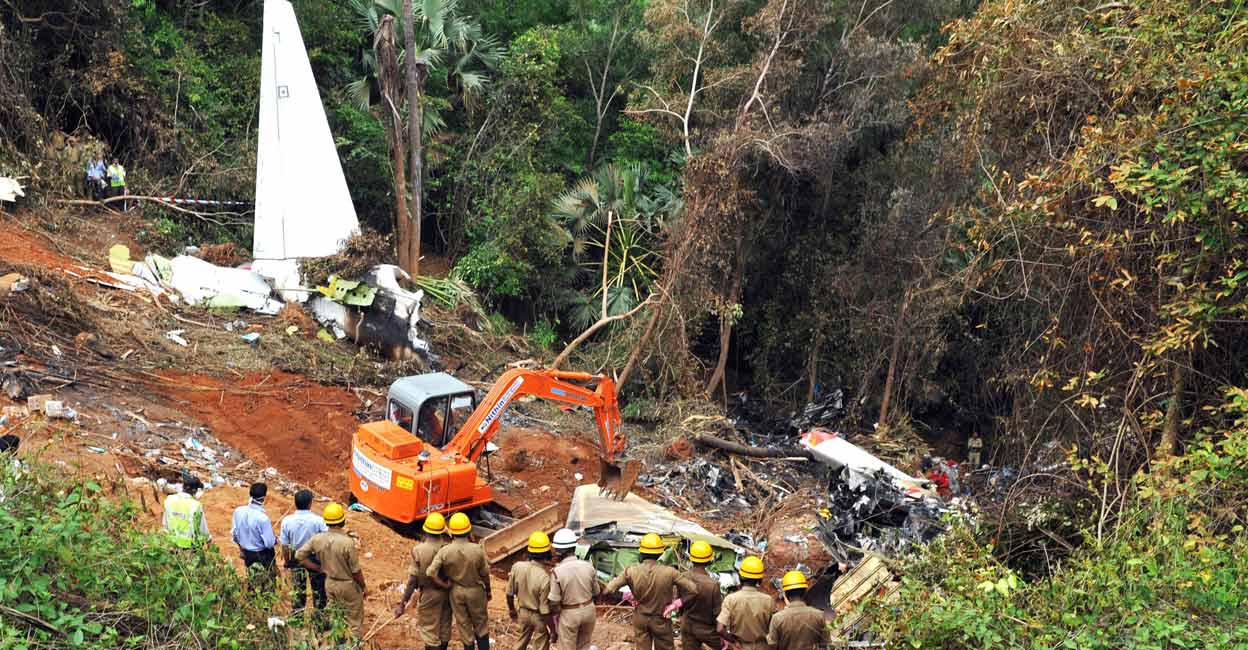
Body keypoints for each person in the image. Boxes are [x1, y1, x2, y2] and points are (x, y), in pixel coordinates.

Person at [604, 533, 698, 650]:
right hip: (661, 620)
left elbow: (607, 591)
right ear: (660, 553)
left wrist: (625, 595)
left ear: (641, 552)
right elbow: (694, 590)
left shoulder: (630, 571)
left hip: (640, 619)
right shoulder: (670, 572)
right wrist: (676, 604)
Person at [297, 502, 367, 637]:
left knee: (335, 615)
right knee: (354, 621)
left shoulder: (317, 539)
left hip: (329, 583)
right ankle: (354, 645)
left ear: (326, 521)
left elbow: (299, 555)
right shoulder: (347, 542)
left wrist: (318, 568)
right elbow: (355, 571)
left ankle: (336, 642)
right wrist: (363, 587)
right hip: (348, 585)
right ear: (343, 521)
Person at [427, 512, 491, 650]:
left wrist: (444, 585)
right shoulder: (477, 549)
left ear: (451, 532)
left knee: (464, 625)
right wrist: (489, 591)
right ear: (468, 530)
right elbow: (485, 574)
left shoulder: (445, 551)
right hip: (476, 591)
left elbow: (430, 572)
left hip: (456, 592)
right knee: (481, 625)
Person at [395, 512, 453, 650]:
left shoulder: (418, 550)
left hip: (429, 594)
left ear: (425, 529)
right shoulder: (449, 549)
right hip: (448, 594)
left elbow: (412, 581)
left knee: (429, 631)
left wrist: (402, 604)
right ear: (441, 530)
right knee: (444, 628)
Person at [548, 527, 600, 650]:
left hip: (569, 613)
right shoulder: (588, 567)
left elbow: (554, 603)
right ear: (574, 547)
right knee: (584, 645)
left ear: (559, 552)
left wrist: (558, 616)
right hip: (589, 611)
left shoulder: (557, 572)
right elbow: (597, 593)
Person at [279, 489, 328, 613]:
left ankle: (297, 617)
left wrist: (287, 561)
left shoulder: (287, 520)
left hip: (295, 557)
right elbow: (325, 540)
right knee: (318, 590)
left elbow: (285, 545)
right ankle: (320, 619)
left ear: (295, 503)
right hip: (314, 557)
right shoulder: (318, 520)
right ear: (310, 503)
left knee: (298, 589)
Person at [508, 531, 556, 650]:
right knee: (541, 644)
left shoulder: (517, 567)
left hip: (523, 613)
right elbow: (545, 611)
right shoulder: (545, 577)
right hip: (538, 617)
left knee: (520, 643)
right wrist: (553, 630)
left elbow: (509, 594)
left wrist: (512, 610)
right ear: (546, 554)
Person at [671, 541, 722, 650]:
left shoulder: (682, 577)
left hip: (687, 625)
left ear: (691, 558)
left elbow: (679, 602)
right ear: (709, 560)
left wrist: (681, 617)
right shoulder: (713, 585)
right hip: (707, 629)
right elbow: (718, 614)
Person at [716, 556, 774, 650]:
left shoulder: (730, 599)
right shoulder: (769, 600)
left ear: (740, 576)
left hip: (740, 646)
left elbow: (719, 629)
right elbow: (773, 630)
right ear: (759, 579)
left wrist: (734, 641)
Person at [231, 482, 277, 592]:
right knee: (267, 585)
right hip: (262, 556)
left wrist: (241, 549)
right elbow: (269, 543)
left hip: (248, 554)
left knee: (252, 580)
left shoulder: (238, 511)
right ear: (264, 498)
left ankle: (252, 604)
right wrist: (276, 540)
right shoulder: (263, 518)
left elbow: (235, 535)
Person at [766, 571, 827, 650]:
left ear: (786, 595)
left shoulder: (777, 618)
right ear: (805, 592)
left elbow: (771, 646)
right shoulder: (819, 615)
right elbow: (824, 644)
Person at [162, 474, 210, 549]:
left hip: (171, 544)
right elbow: (203, 529)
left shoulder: (169, 500)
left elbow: (165, 523)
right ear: (194, 490)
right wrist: (208, 539)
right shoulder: (196, 505)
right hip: (188, 547)